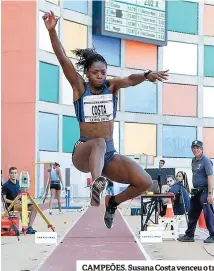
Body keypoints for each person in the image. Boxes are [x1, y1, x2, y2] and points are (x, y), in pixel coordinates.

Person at [43, 11, 169, 229]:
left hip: (108, 155)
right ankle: (97, 184)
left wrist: (147, 75)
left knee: (145, 181)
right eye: (95, 73)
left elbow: (130, 79)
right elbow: (63, 58)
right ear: (87, 73)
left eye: (103, 72)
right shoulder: (79, 88)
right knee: (98, 142)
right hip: (84, 151)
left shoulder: (112, 87)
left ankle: (112, 203)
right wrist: (52, 31)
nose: (100, 76)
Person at [178, 140, 214, 243]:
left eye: (198, 148)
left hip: (205, 190)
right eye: (194, 148)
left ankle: (213, 234)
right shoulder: (193, 160)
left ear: (202, 149)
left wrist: (210, 194)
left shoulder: (206, 160)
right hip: (196, 191)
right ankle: (189, 235)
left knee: (208, 213)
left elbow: (210, 177)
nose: (195, 149)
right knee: (192, 212)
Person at [1, 167, 37, 234]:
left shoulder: (19, 183)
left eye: (15, 173)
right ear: (9, 174)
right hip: (11, 206)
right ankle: (24, 228)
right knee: (23, 207)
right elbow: (3, 200)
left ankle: (29, 227)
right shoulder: (5, 185)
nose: (13, 175)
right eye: (12, 173)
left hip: (20, 203)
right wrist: (14, 202)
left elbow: (22, 195)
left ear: (17, 174)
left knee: (35, 207)